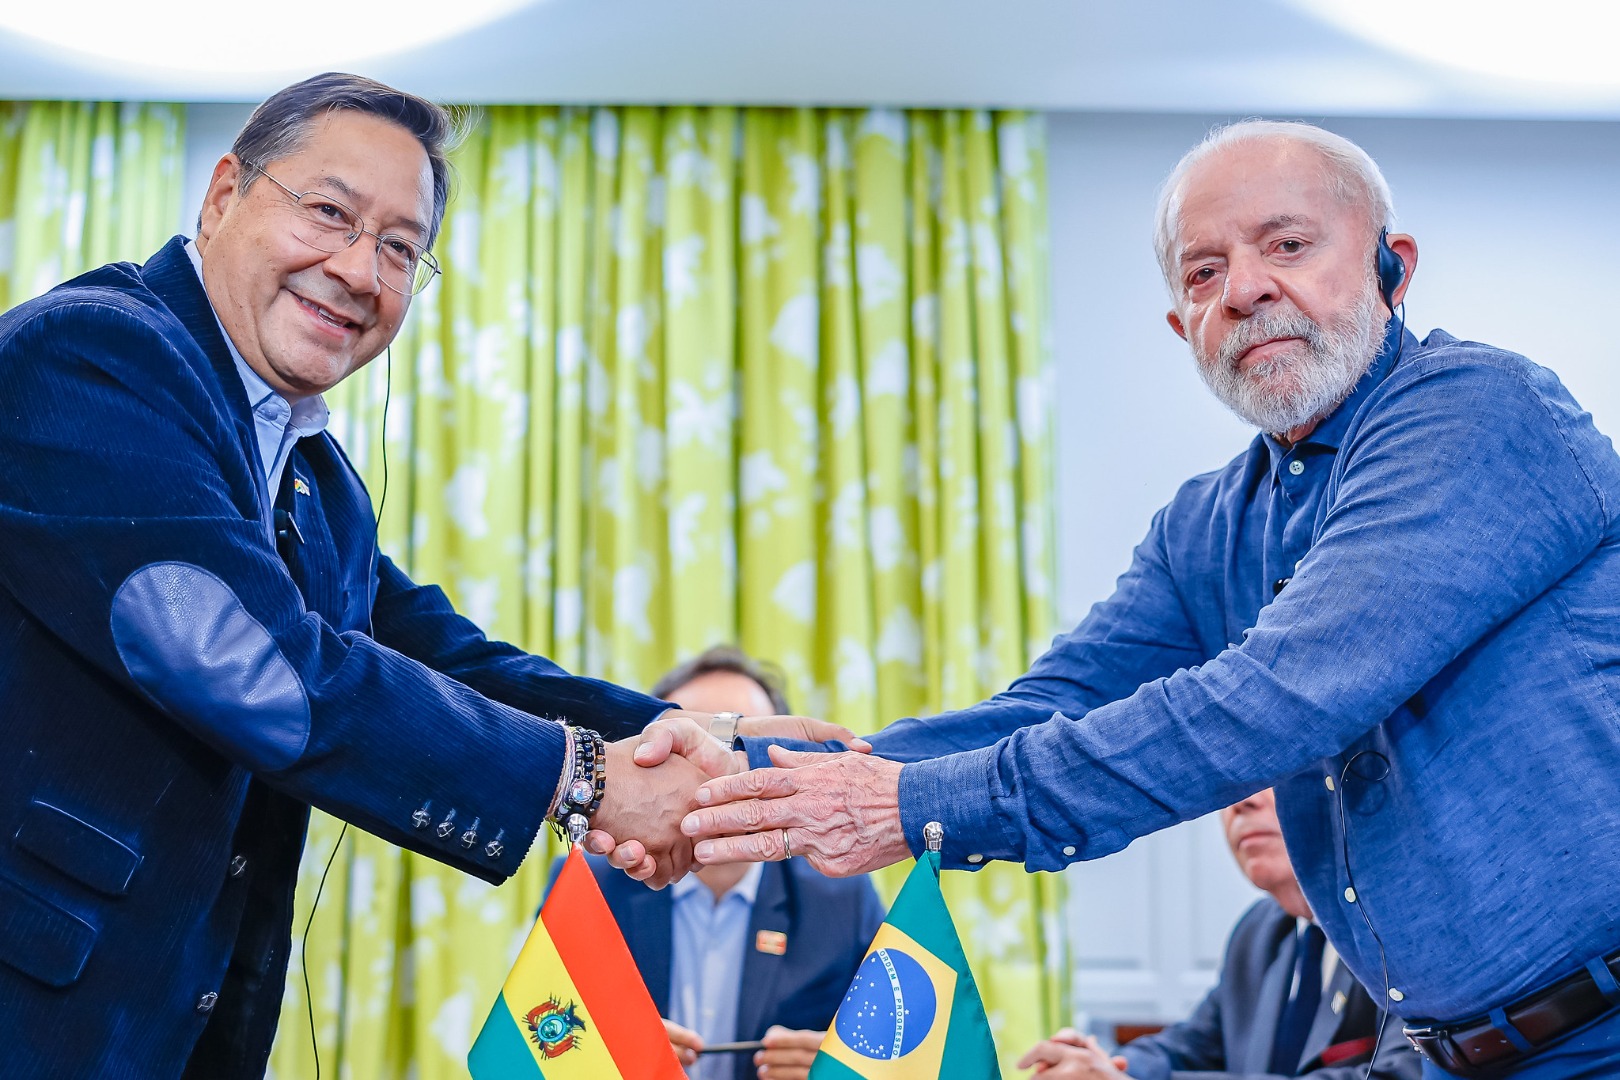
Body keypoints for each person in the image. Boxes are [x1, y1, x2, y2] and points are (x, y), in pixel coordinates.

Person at [618, 120, 1620, 1077]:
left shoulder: (1480, 414)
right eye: (1204, 271)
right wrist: (743, 783)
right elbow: (1050, 704)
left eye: (1288, 243)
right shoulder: (1209, 526)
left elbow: (1270, 699)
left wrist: (902, 806)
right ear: (1182, 324)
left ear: (1390, 264)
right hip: (1441, 1050)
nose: (1246, 289)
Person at [0, 73, 835, 1079]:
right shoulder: (92, 356)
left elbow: (434, 653)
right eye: (328, 212)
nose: (358, 269)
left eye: (400, 247)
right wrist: (585, 783)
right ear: (224, 194)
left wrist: (699, 741)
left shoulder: (318, 477)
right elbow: (257, 670)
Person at [555, 647, 886, 1080]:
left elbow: (894, 1052)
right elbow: (538, 1030)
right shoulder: (591, 885)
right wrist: (602, 1054)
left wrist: (842, 1070)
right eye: (689, 746)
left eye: (741, 748)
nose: (721, 773)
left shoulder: (841, 895)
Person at [1018, 789, 1419, 1079]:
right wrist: (1105, 1065)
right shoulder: (1259, 931)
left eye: (1272, 776)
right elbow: (1190, 1047)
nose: (1240, 802)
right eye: (1231, 784)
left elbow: (1400, 1074)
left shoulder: (1406, 928)